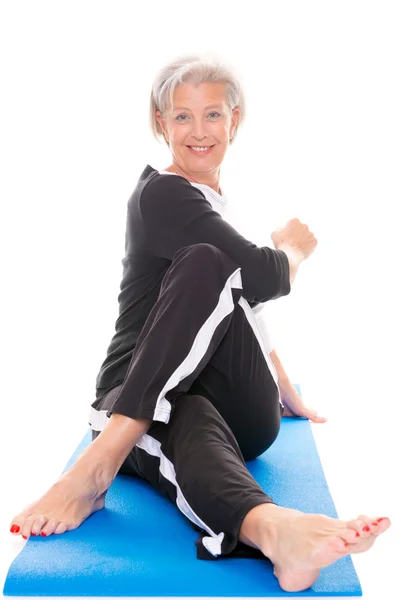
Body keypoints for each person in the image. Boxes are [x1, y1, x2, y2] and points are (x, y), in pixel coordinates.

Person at [9, 53, 390, 593]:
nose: (198, 131)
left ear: (235, 120)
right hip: (152, 393)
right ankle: (277, 531)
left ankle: (101, 466)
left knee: (210, 262)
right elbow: (264, 274)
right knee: (186, 400)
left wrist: (282, 384)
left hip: (225, 409)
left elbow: (242, 297)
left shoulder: (205, 205)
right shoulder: (163, 192)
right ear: (161, 124)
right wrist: (291, 251)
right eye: (182, 117)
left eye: (212, 115)